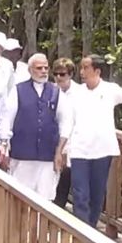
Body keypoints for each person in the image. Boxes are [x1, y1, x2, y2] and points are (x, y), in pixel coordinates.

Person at [66, 54, 122, 228]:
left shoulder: (109, 89)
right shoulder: (76, 93)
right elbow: (68, 122)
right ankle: (82, 233)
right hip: (79, 150)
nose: (82, 72)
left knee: (97, 193)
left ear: (97, 71)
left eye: (86, 68)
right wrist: (63, 148)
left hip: (102, 150)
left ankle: (91, 228)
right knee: (80, 193)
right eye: (81, 68)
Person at [0, 54, 72, 200]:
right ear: (31, 70)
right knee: (20, 198)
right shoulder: (18, 90)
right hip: (22, 155)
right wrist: (4, 144)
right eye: (39, 68)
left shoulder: (56, 92)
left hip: (47, 156)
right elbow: (7, 119)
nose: (44, 71)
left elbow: (66, 121)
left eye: (46, 67)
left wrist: (60, 150)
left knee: (45, 199)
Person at [50, 57, 80, 208]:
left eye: (62, 74)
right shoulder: (50, 91)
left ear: (71, 74)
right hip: (53, 142)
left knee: (66, 184)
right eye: (56, 74)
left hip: (73, 144)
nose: (58, 77)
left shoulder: (81, 93)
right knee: (52, 183)